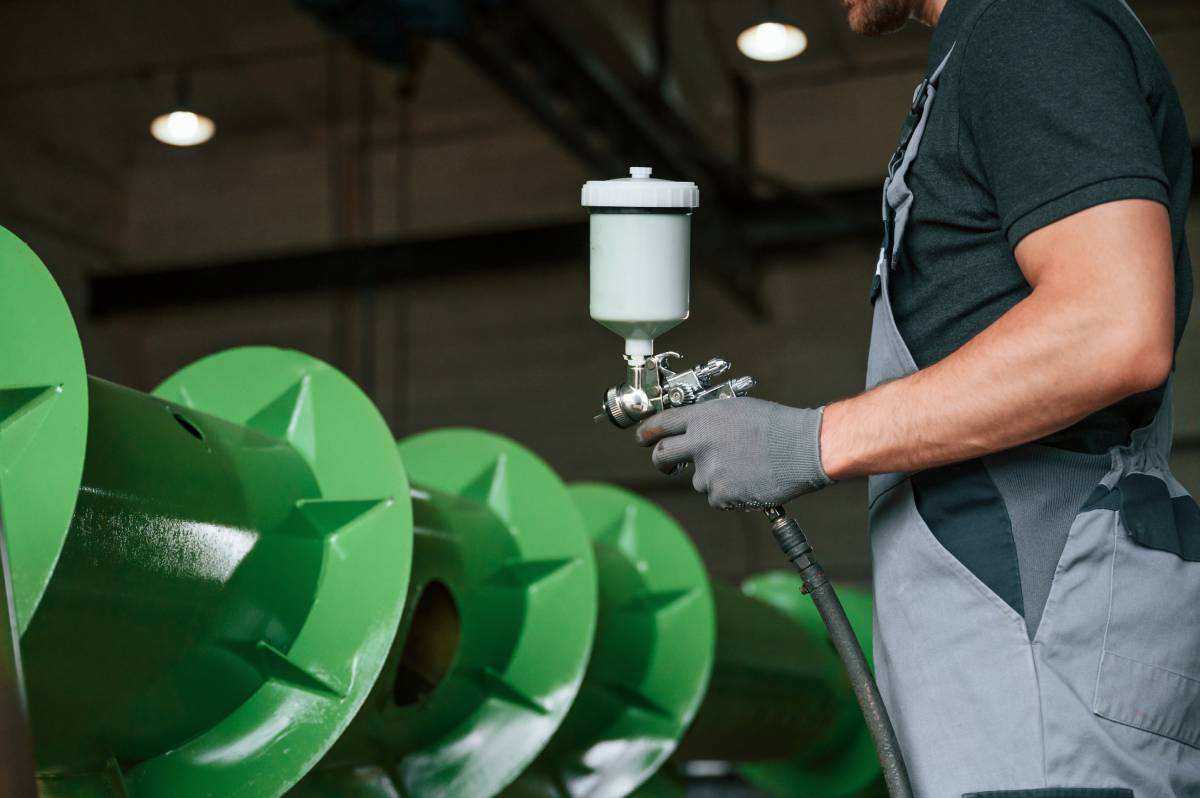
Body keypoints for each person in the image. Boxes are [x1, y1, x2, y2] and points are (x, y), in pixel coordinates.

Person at [637, 0, 1196, 794]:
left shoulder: (1032, 24)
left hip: (1044, 650)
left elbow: (1111, 325)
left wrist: (809, 443)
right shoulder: (986, 46)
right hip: (1016, 658)